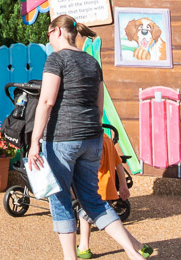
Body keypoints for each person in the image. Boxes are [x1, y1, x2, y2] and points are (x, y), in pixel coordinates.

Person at [28, 15, 151, 260]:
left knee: (61, 198)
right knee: (93, 200)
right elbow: (99, 103)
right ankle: (132, 253)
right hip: (92, 138)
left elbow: (46, 101)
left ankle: (69, 258)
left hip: (62, 139)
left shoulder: (57, 59)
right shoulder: (92, 62)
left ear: (59, 32)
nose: (49, 39)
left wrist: (34, 141)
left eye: (49, 33)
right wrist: (93, 133)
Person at [77, 131, 132, 259]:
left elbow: (96, 165)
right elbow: (119, 164)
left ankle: (135, 247)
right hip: (107, 188)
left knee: (99, 220)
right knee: (86, 216)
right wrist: (123, 186)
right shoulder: (106, 138)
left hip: (95, 187)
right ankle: (83, 246)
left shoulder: (92, 141)